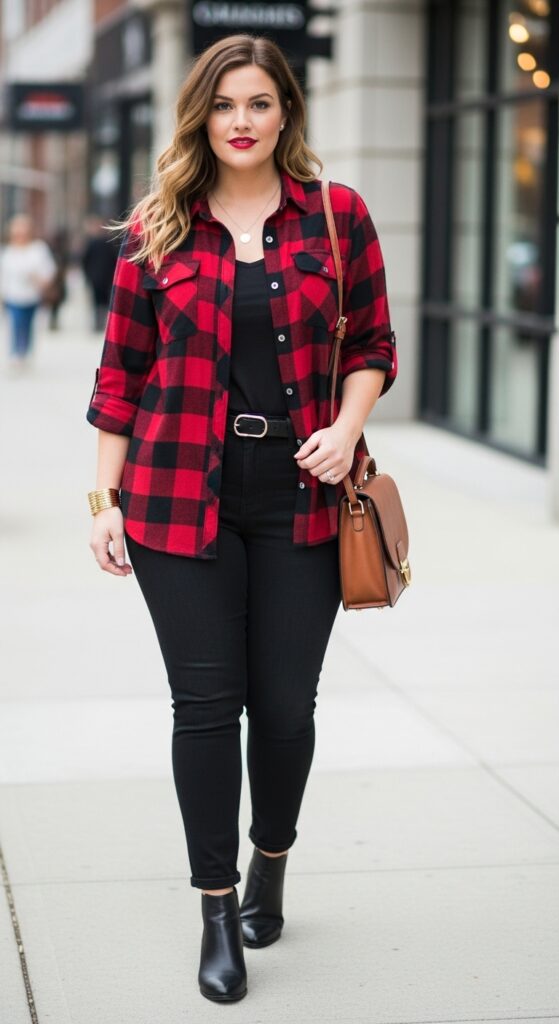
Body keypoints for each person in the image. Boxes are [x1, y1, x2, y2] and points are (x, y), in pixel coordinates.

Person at [86, 33, 397, 1005]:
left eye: (260, 102)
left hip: (300, 493)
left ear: (285, 112)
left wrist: (347, 428)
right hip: (179, 494)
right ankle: (216, 905)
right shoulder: (158, 228)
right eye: (226, 105)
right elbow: (121, 376)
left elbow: (375, 342)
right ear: (200, 117)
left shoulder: (337, 218)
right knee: (205, 709)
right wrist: (103, 497)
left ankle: (272, 856)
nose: (242, 121)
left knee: (288, 709)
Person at [0, 214, 56, 370]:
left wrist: (39, 279)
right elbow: (3, 275)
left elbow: (49, 271)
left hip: (32, 296)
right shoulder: (7, 251)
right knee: (15, 324)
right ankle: (16, 353)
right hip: (13, 296)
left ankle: (25, 352)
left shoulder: (38, 249)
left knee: (28, 325)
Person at [81, 214, 119, 331]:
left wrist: (87, 275)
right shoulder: (109, 243)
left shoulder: (93, 243)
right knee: (104, 300)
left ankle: (99, 322)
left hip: (97, 277)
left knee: (98, 301)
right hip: (105, 277)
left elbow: (85, 260)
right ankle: (101, 322)